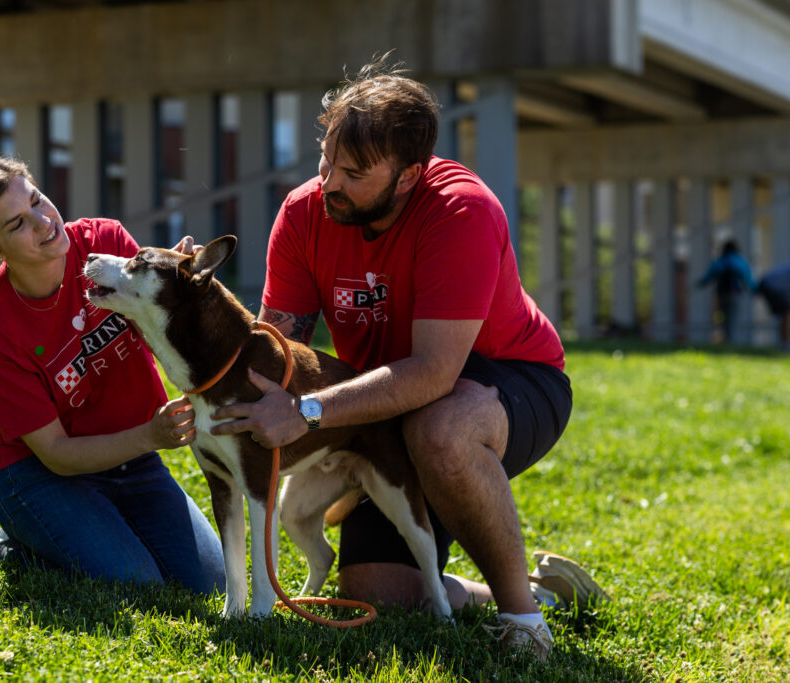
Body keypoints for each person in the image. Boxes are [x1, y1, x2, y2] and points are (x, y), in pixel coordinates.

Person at [210, 56, 604, 660]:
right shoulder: (304, 212)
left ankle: (524, 623)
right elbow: (277, 352)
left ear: (410, 175)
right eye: (326, 162)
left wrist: (309, 412)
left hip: (510, 380)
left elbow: (434, 373)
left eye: (354, 173)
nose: (329, 184)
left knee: (439, 430)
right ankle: (540, 587)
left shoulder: (461, 212)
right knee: (379, 595)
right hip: (384, 397)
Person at [0, 153, 224, 596]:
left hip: (134, 464)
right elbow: (54, 453)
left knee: (208, 585)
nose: (44, 222)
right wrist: (151, 436)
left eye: (37, 200)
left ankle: (93, 530)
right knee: (138, 585)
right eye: (16, 225)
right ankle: (24, 543)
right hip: (42, 477)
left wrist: (179, 290)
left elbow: (164, 322)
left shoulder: (102, 242)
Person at [696, 239, 757, 342]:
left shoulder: (720, 260)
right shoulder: (740, 261)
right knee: (733, 318)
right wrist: (756, 290)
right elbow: (748, 281)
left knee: (724, 319)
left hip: (722, 295)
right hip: (735, 295)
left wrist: (699, 284)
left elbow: (708, 277)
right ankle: (731, 340)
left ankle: (727, 339)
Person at [756, 262, 790, 351]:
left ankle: (784, 343)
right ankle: (785, 345)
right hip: (775, 287)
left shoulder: (784, 268)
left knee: (784, 315)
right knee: (786, 313)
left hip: (765, 285)